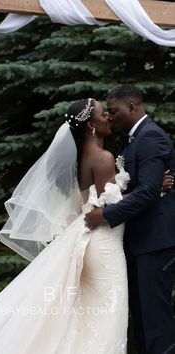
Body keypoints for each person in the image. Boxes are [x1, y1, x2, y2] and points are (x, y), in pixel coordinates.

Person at [0, 97, 172, 354]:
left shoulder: (85, 156)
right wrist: (153, 188)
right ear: (91, 126)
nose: (108, 117)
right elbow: (109, 205)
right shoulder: (103, 158)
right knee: (108, 311)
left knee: (88, 315)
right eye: (103, 114)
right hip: (105, 244)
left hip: (95, 240)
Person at [85, 85, 175, 354]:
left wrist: (106, 215)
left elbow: (147, 192)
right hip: (140, 242)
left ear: (133, 107)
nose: (110, 117)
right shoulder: (133, 140)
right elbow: (145, 187)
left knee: (155, 319)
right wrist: (154, 186)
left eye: (114, 111)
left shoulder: (150, 137)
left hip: (155, 243)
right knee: (141, 317)